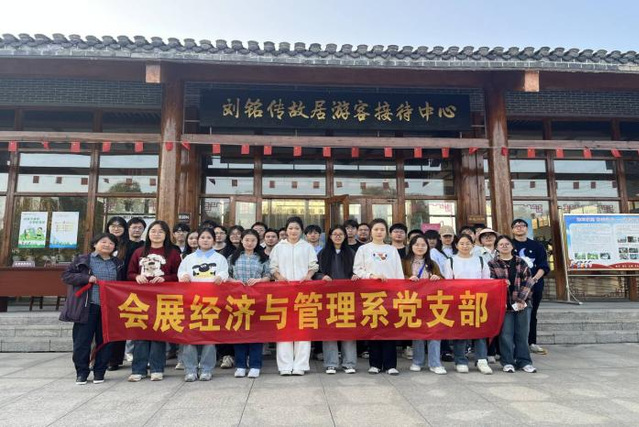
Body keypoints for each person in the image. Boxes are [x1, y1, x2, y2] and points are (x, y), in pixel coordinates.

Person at [61, 233, 124, 385]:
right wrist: (86, 278)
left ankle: (99, 372)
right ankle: (82, 372)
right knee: (82, 342)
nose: (107, 245)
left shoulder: (118, 263)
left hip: (109, 308)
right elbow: (66, 276)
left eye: (111, 243)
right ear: (95, 244)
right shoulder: (83, 260)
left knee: (105, 341)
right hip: (87, 306)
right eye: (103, 242)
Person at [127, 220, 182, 382]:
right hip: (142, 298)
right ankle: (138, 369)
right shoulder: (138, 252)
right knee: (141, 333)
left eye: (160, 231)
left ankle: (157, 368)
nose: (156, 234)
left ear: (166, 235)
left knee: (159, 332)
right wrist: (137, 276)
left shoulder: (173, 253)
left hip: (163, 298)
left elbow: (178, 275)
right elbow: (129, 273)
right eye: (153, 231)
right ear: (148, 233)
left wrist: (165, 278)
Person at [177, 227, 229, 381]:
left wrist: (221, 277)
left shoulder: (220, 258)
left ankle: (206, 369)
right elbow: (181, 272)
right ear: (197, 240)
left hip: (212, 302)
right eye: (202, 237)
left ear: (213, 240)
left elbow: (225, 272)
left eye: (208, 237)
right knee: (190, 337)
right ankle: (190, 369)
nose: (205, 240)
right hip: (192, 302)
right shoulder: (189, 258)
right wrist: (184, 276)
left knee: (209, 337)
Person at [269, 216, 319, 376]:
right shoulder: (279, 247)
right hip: (283, 292)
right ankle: (285, 366)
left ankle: (300, 365)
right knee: (284, 327)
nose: (293, 231)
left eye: (297, 228)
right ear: (286, 230)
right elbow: (273, 267)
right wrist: (279, 277)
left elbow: (313, 266)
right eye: (290, 228)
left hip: (303, 292)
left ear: (301, 230)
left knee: (302, 327)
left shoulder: (307, 247)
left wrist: (308, 276)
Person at [353, 219, 404, 375]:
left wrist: (399, 291)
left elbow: (399, 272)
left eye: (382, 229)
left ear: (386, 232)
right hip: (371, 293)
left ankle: (390, 365)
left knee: (389, 328)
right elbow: (357, 269)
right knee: (374, 327)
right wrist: (371, 276)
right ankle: (374, 363)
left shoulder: (392, 250)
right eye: (376, 229)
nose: (379, 232)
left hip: (390, 294)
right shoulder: (363, 249)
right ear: (371, 232)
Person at [442, 234, 493, 375]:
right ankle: (460, 360)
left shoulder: (480, 260)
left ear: (473, 245)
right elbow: (448, 282)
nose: (465, 246)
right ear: (456, 245)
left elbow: (486, 280)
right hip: (459, 301)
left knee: (480, 331)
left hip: (478, 300)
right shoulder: (450, 261)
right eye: (462, 243)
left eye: (468, 243)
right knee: (460, 331)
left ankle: (481, 360)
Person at [489, 235, 537, 373]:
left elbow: (529, 281)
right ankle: (508, 362)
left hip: (522, 303)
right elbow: (490, 282)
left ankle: (524, 361)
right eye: (501, 244)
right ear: (497, 247)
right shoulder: (492, 264)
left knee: (522, 334)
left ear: (512, 246)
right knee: (506, 335)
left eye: (507, 244)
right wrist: (500, 284)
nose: (504, 246)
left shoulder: (521, 262)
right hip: (503, 305)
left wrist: (521, 300)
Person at [227, 229, 271, 378]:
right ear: (241, 241)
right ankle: (240, 365)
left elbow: (268, 276)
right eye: (247, 240)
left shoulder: (262, 257)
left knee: (256, 333)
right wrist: (235, 281)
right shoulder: (233, 257)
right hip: (238, 299)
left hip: (257, 299)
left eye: (253, 240)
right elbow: (227, 275)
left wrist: (259, 280)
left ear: (257, 242)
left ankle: (255, 365)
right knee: (239, 333)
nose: (250, 243)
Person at [401, 235, 446, 375]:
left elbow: (443, 280)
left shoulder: (432, 263)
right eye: (416, 244)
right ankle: (417, 361)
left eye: (423, 245)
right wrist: (408, 279)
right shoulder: (404, 262)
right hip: (412, 301)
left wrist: (437, 278)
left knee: (434, 332)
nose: (420, 247)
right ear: (411, 246)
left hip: (431, 302)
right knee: (417, 332)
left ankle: (435, 363)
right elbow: (398, 278)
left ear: (427, 247)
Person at [316, 225, 358, 374]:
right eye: (335, 234)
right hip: (328, 297)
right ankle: (331, 363)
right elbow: (316, 272)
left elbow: (357, 270)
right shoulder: (323, 253)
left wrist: (355, 275)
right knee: (329, 329)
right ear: (330, 236)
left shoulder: (351, 253)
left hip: (348, 297)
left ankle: (349, 363)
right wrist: (322, 277)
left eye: (341, 234)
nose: (338, 236)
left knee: (348, 329)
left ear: (345, 236)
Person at [108, 217, 146, 371]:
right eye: (133, 227)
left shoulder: (144, 246)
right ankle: (113, 360)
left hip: (137, 289)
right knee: (116, 324)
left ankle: (140, 359)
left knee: (138, 324)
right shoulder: (115, 246)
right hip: (116, 289)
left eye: (139, 228)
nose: (136, 230)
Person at [511, 218, 550, 355]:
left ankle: (531, 342)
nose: (519, 227)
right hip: (515, 287)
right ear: (512, 230)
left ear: (527, 228)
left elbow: (543, 265)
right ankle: (515, 343)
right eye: (516, 226)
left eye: (522, 225)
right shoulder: (509, 245)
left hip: (534, 285)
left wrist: (534, 279)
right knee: (513, 313)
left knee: (532, 313)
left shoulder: (537, 246)